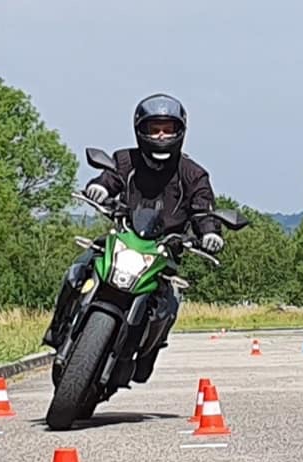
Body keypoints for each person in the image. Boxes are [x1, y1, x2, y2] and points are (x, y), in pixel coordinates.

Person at [42, 92, 224, 382]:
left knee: (169, 299)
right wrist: (99, 187)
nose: (161, 135)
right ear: (141, 129)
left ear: (180, 131)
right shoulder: (126, 159)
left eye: (168, 128)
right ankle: (59, 327)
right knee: (80, 267)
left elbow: (203, 207)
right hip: (124, 237)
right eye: (155, 129)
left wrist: (210, 233)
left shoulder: (194, 174)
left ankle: (147, 353)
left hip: (164, 250)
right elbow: (111, 177)